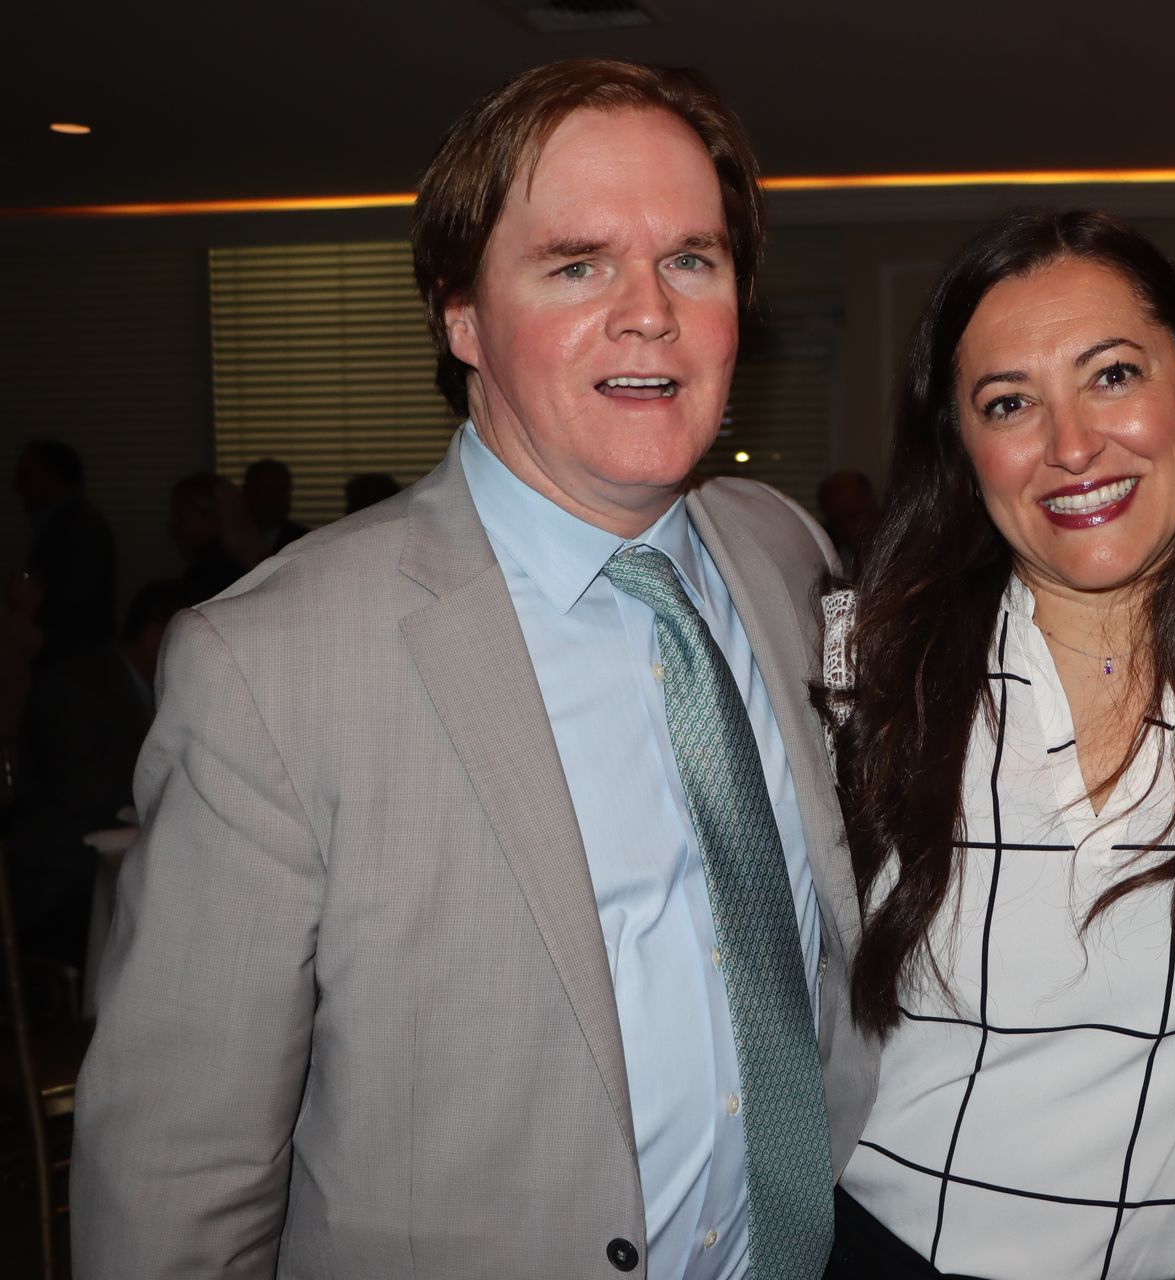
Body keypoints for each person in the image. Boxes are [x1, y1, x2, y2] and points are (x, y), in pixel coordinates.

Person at [73, 59, 876, 1278]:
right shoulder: (268, 667)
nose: (648, 309)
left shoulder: (783, 551)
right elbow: (175, 1182)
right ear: (461, 316)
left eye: (692, 260)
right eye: (576, 263)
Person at [819, 208, 1175, 1278]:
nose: (1072, 444)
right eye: (1009, 402)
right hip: (908, 1253)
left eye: (1112, 375)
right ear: (965, 451)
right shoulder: (859, 667)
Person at [8, 578, 191, 969]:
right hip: (64, 878)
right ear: (155, 634)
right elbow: (77, 790)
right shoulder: (79, 686)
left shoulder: (145, 690)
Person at [13, 438, 116, 666]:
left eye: (26, 474)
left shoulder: (78, 528)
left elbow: (76, 614)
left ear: (53, 477)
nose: (16, 485)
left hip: (71, 663)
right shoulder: (60, 525)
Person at [167, 470, 253, 600]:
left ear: (212, 517)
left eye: (182, 517)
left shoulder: (211, 573)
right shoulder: (237, 564)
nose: (173, 525)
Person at [242, 456, 312, 552]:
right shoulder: (225, 542)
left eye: (278, 489)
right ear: (246, 492)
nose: (270, 497)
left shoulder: (305, 541)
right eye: (263, 489)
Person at [816, 468, 878, 572]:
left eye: (853, 516)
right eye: (836, 521)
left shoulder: (900, 553)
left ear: (872, 505)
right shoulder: (826, 557)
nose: (847, 528)